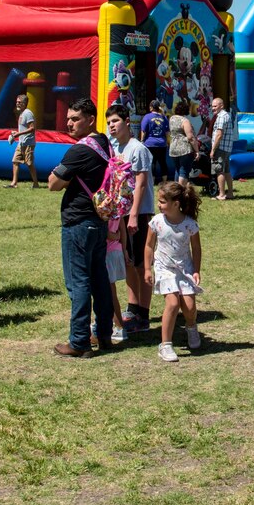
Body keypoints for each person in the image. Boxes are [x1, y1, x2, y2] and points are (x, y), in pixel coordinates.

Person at [47, 98, 116, 358]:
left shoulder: (79, 150)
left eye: (75, 119)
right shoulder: (103, 143)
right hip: (98, 221)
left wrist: (63, 175)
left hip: (78, 222)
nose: (69, 123)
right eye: (68, 119)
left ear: (90, 119)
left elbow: (54, 183)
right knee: (100, 280)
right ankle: (105, 334)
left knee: (79, 283)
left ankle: (79, 342)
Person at [105, 103, 155, 335]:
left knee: (141, 264)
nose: (111, 126)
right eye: (108, 123)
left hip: (138, 213)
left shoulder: (137, 149)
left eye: (114, 121)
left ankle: (143, 316)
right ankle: (132, 307)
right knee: (128, 262)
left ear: (126, 121)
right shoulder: (116, 147)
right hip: (121, 214)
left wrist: (134, 214)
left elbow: (141, 183)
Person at [148, 179, 204, 362]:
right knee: (172, 303)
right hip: (164, 268)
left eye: (163, 202)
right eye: (159, 201)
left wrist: (196, 270)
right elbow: (149, 246)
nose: (159, 205)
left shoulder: (189, 224)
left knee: (189, 307)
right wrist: (148, 268)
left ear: (176, 204)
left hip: (184, 269)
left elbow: (196, 248)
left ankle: (191, 327)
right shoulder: (156, 222)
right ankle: (165, 345)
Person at [8, 94, 39, 188]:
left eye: (19, 102)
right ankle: (14, 183)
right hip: (21, 142)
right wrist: (16, 133)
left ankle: (35, 183)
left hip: (28, 143)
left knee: (29, 163)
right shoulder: (21, 113)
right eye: (17, 102)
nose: (17, 104)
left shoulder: (27, 113)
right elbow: (24, 128)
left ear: (24, 103)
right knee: (15, 161)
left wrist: (18, 134)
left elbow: (32, 128)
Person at [209, 96, 236, 201]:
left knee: (219, 170)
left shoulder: (220, 117)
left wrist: (213, 150)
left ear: (221, 105)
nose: (213, 108)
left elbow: (219, 134)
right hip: (227, 148)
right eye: (212, 106)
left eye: (215, 106)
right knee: (227, 171)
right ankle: (230, 193)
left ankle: (221, 194)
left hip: (220, 148)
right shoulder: (227, 115)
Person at [167, 100, 197, 183]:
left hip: (173, 148)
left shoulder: (172, 119)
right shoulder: (185, 121)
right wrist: (197, 151)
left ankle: (175, 190)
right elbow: (190, 137)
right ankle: (181, 190)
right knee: (183, 171)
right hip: (184, 149)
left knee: (178, 170)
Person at [141, 100, 169, 182]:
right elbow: (167, 132)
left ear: (151, 107)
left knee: (152, 162)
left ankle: (152, 181)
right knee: (163, 162)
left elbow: (143, 131)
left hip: (150, 143)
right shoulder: (164, 117)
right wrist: (167, 142)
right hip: (162, 143)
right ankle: (165, 181)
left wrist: (142, 141)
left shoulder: (147, 117)